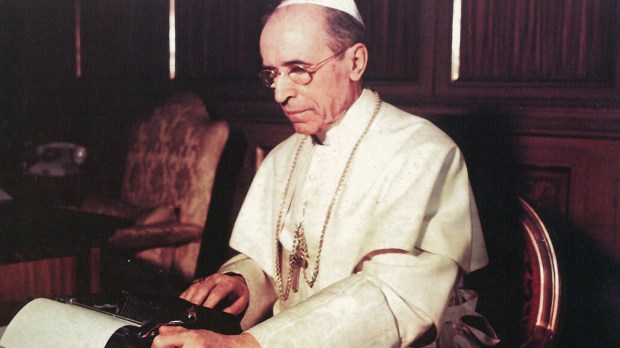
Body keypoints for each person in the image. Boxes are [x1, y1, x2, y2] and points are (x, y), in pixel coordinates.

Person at [152, 0, 489, 347]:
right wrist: (244, 281)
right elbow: (281, 269)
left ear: (355, 62)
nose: (280, 94)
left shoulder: (422, 153)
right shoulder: (283, 157)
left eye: (298, 69)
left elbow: (390, 300)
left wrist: (247, 344)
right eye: (272, 74)